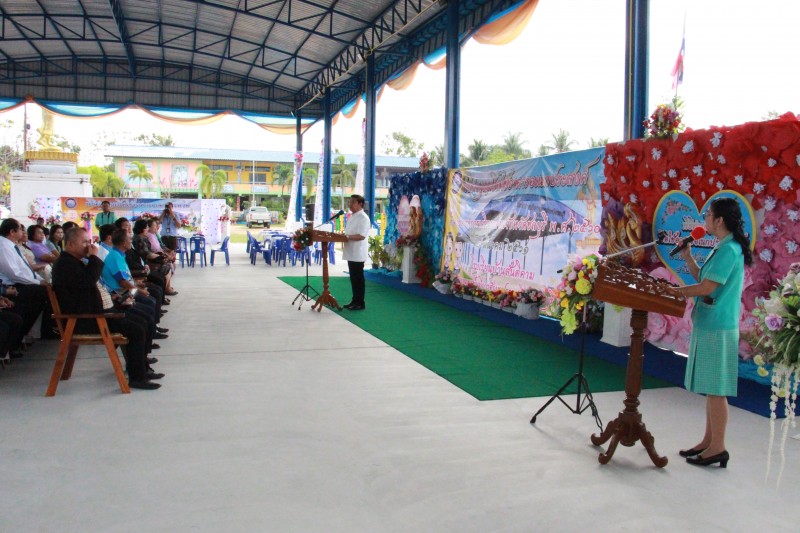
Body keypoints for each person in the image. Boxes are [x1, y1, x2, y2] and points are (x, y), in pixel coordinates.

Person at [670, 197, 752, 468]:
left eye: (708, 215)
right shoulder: (722, 247)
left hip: (718, 326)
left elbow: (707, 289)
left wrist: (674, 292)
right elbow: (705, 279)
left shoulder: (729, 250)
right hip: (709, 322)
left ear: (719, 220)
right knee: (711, 388)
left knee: (716, 390)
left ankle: (718, 447)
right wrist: (688, 257)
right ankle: (708, 441)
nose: (704, 220)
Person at [51, 227, 162, 390]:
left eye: (89, 242)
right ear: (70, 244)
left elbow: (87, 288)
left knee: (142, 319)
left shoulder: (73, 261)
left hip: (95, 313)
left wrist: (114, 299)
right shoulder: (65, 265)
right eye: (84, 242)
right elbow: (88, 281)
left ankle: (142, 369)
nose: (89, 246)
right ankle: (138, 377)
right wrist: (94, 257)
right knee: (137, 328)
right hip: (86, 320)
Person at [342, 194, 370, 311]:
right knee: (353, 278)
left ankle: (360, 302)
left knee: (358, 278)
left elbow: (361, 236)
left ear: (360, 204)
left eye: (353, 202)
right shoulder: (352, 216)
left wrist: (347, 237)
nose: (350, 204)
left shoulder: (363, 218)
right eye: (349, 202)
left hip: (358, 252)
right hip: (351, 252)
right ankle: (354, 300)